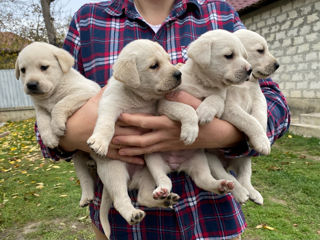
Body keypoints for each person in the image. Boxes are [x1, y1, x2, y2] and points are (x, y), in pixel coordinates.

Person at [36, 0, 290, 239]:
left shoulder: (218, 12)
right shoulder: (88, 21)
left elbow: (274, 104)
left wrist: (221, 134)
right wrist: (76, 132)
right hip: (122, 227)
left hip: (211, 220)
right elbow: (48, 113)